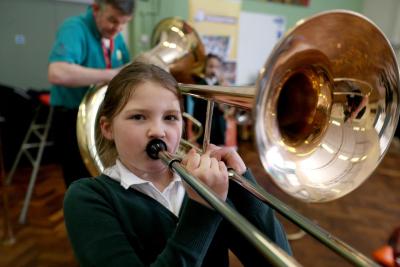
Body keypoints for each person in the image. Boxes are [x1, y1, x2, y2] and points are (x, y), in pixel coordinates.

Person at [63, 62, 291, 266]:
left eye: (170, 117)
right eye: (138, 117)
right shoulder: (87, 196)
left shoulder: (207, 180)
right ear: (107, 128)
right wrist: (203, 208)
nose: (158, 131)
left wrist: (244, 188)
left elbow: (273, 260)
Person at [48, 0, 135, 187]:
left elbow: (126, 72)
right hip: (72, 117)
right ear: (96, 9)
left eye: (124, 23)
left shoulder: (115, 34)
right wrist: (112, 75)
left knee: (104, 179)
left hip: (101, 118)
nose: (117, 29)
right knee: (79, 183)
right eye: (112, 20)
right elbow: (57, 72)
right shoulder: (74, 28)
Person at [192, 53, 229, 147]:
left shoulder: (221, 84)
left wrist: (224, 89)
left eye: (216, 67)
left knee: (219, 149)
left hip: (218, 124)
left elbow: (225, 108)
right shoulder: (200, 84)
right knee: (202, 148)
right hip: (203, 122)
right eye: (210, 66)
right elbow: (197, 101)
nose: (213, 69)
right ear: (205, 68)